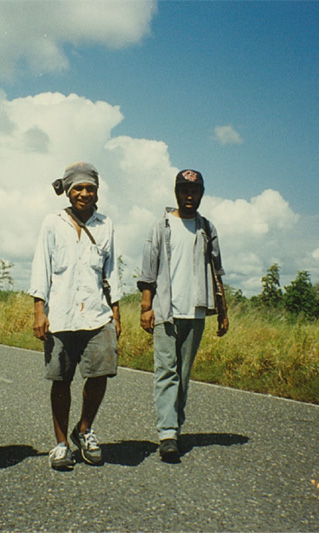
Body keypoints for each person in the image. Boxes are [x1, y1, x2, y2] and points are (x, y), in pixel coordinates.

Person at [29, 162, 122, 471]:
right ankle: (60, 444)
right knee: (61, 379)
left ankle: (84, 429)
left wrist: (116, 312)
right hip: (61, 314)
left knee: (100, 373)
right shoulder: (52, 223)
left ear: (97, 192)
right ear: (68, 192)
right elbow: (41, 267)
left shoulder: (105, 224)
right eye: (78, 188)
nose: (84, 193)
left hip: (97, 312)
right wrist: (39, 311)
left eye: (90, 188)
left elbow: (111, 271)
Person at [137, 169, 229, 463]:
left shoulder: (206, 228)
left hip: (197, 309)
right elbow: (148, 270)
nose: (190, 197)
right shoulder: (161, 226)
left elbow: (217, 271)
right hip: (166, 309)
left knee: (184, 375)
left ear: (201, 194)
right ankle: (167, 434)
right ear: (176, 193)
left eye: (195, 191)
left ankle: (174, 427)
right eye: (184, 191)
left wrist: (223, 311)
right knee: (166, 371)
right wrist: (145, 306)